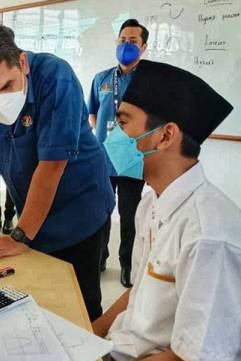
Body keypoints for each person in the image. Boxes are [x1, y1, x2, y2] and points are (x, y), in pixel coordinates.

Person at [91, 60, 241, 361]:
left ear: (165, 136)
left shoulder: (210, 238)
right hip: (127, 354)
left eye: (123, 123)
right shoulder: (150, 204)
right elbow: (140, 291)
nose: (113, 134)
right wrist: (90, 334)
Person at [0, 21, 114, 320]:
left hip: (79, 205)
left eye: (6, 87)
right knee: (34, 293)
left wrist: (19, 236)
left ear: (22, 63)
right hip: (32, 206)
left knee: (79, 303)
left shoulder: (56, 77)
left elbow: (51, 166)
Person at [88, 19, 149, 288]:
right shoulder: (101, 78)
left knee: (129, 215)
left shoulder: (150, 81)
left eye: (133, 41)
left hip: (133, 160)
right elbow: (92, 114)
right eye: (122, 40)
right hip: (103, 158)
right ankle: (99, 258)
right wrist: (108, 139)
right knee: (100, 211)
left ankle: (127, 265)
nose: (126, 45)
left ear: (144, 46)